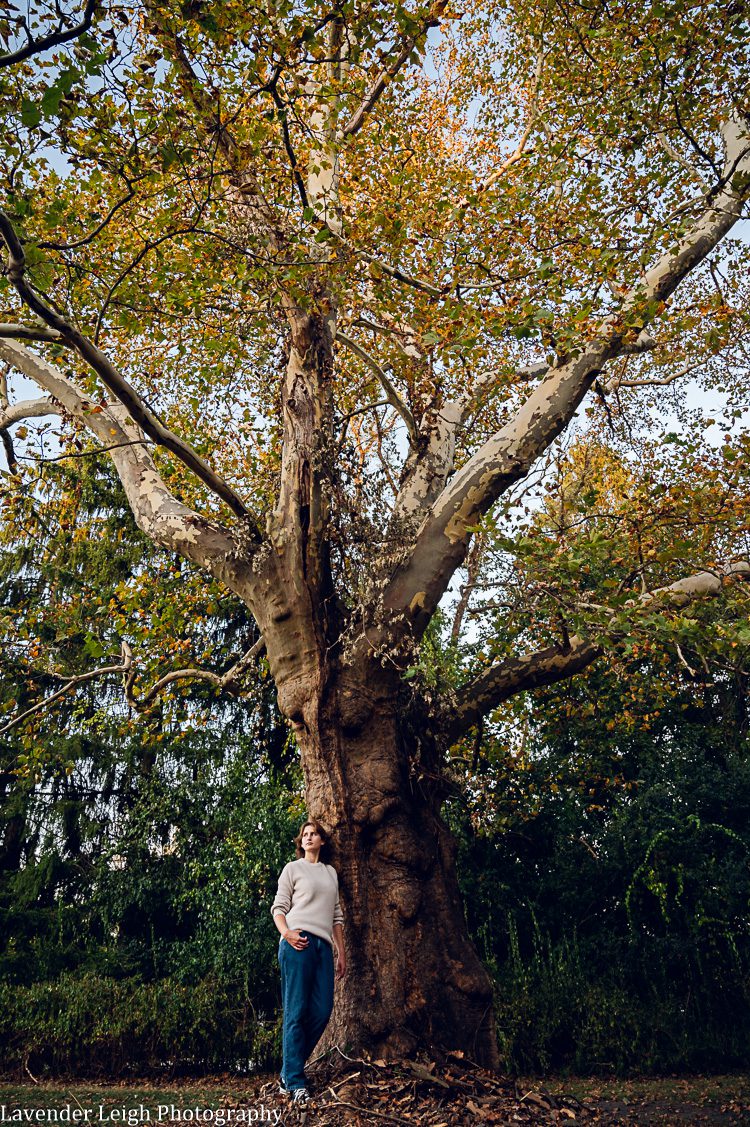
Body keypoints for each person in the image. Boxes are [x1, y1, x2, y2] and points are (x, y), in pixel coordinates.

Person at [271, 819, 346, 1105]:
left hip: (323, 947)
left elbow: (337, 916)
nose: (309, 837)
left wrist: (341, 952)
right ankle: (296, 1083)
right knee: (296, 1012)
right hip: (297, 942)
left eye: (314, 834)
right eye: (305, 834)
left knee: (323, 1009)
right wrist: (287, 933)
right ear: (300, 842)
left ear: (322, 841)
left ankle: (288, 1072)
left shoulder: (330, 873)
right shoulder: (293, 869)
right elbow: (279, 907)